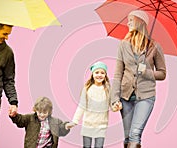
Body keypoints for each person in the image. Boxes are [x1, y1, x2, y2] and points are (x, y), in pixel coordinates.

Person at [110, 10, 166, 148]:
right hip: (126, 96)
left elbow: (162, 73)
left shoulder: (154, 46)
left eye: (131, 20)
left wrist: (146, 72)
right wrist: (114, 99)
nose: (128, 23)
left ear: (140, 22)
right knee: (128, 137)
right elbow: (118, 74)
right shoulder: (123, 45)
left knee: (135, 134)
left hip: (146, 96)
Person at [65, 61, 116, 148]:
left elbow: (112, 106)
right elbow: (81, 106)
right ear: (92, 74)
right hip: (88, 124)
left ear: (105, 75)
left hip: (101, 125)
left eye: (102, 73)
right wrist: (74, 121)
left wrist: (116, 107)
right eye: (97, 72)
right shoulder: (87, 89)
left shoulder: (108, 89)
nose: (99, 75)